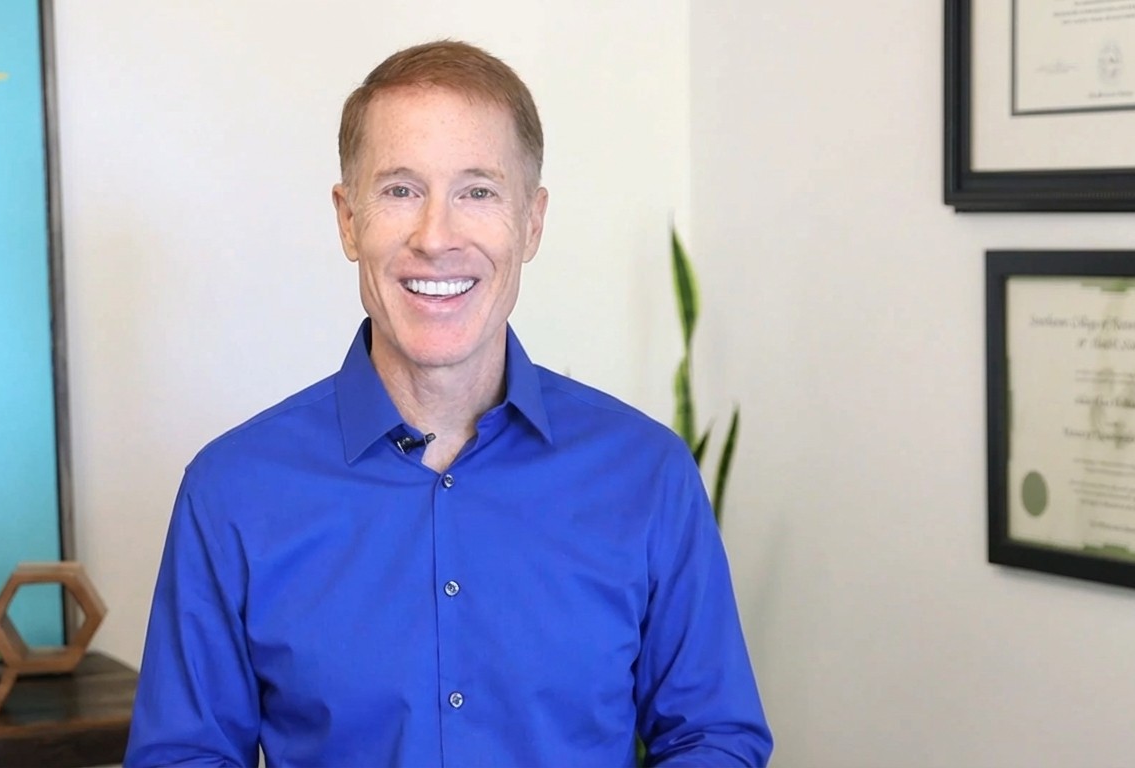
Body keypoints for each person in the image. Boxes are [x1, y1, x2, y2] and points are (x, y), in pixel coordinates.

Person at [124, 40, 772, 767]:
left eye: (478, 192)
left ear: (532, 221)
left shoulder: (647, 475)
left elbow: (714, 736)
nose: (436, 238)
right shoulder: (232, 491)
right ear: (348, 219)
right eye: (401, 190)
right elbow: (182, 756)